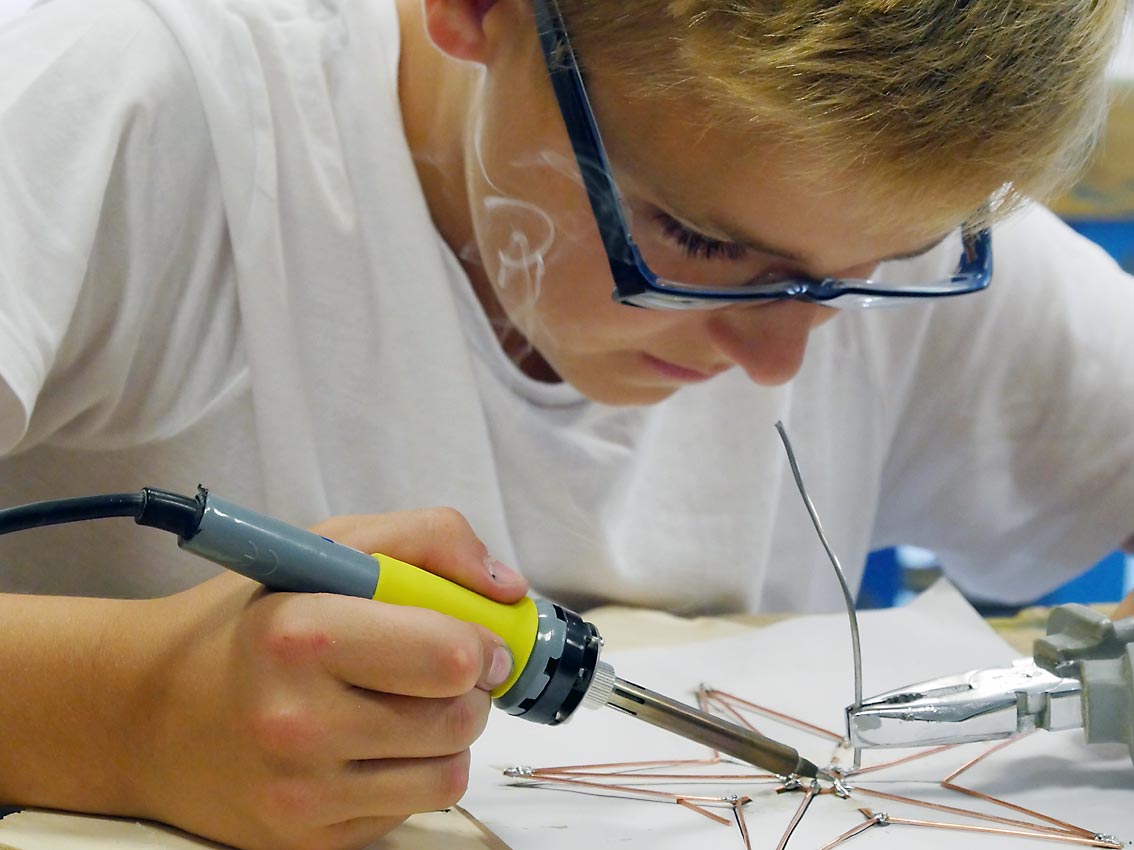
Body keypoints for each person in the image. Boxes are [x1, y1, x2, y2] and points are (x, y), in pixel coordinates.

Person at [0, 0, 1132, 846]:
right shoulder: (119, 97)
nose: (779, 355)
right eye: (699, 244)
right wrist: (116, 713)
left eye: (877, 272)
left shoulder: (883, 187)